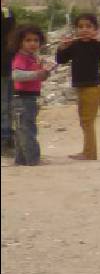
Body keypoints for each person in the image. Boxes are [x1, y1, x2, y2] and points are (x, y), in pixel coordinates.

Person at [55, 12, 100, 162]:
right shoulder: (75, 45)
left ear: (95, 29)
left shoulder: (97, 45)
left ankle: (90, 154)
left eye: (88, 26)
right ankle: (87, 151)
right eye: (81, 26)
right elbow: (61, 59)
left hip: (93, 88)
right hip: (81, 88)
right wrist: (62, 47)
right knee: (84, 121)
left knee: (88, 121)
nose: (84, 29)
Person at [9, 23, 51, 167]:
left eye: (36, 40)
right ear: (19, 42)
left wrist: (43, 71)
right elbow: (16, 75)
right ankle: (32, 159)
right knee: (27, 130)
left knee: (23, 129)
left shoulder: (32, 58)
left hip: (29, 98)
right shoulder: (20, 58)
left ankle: (21, 160)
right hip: (22, 99)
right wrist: (36, 74)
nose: (33, 43)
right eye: (28, 40)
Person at [1, 0, 13, 154]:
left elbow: (12, 37)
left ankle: (5, 138)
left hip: (5, 66)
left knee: (6, 104)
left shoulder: (7, 14)